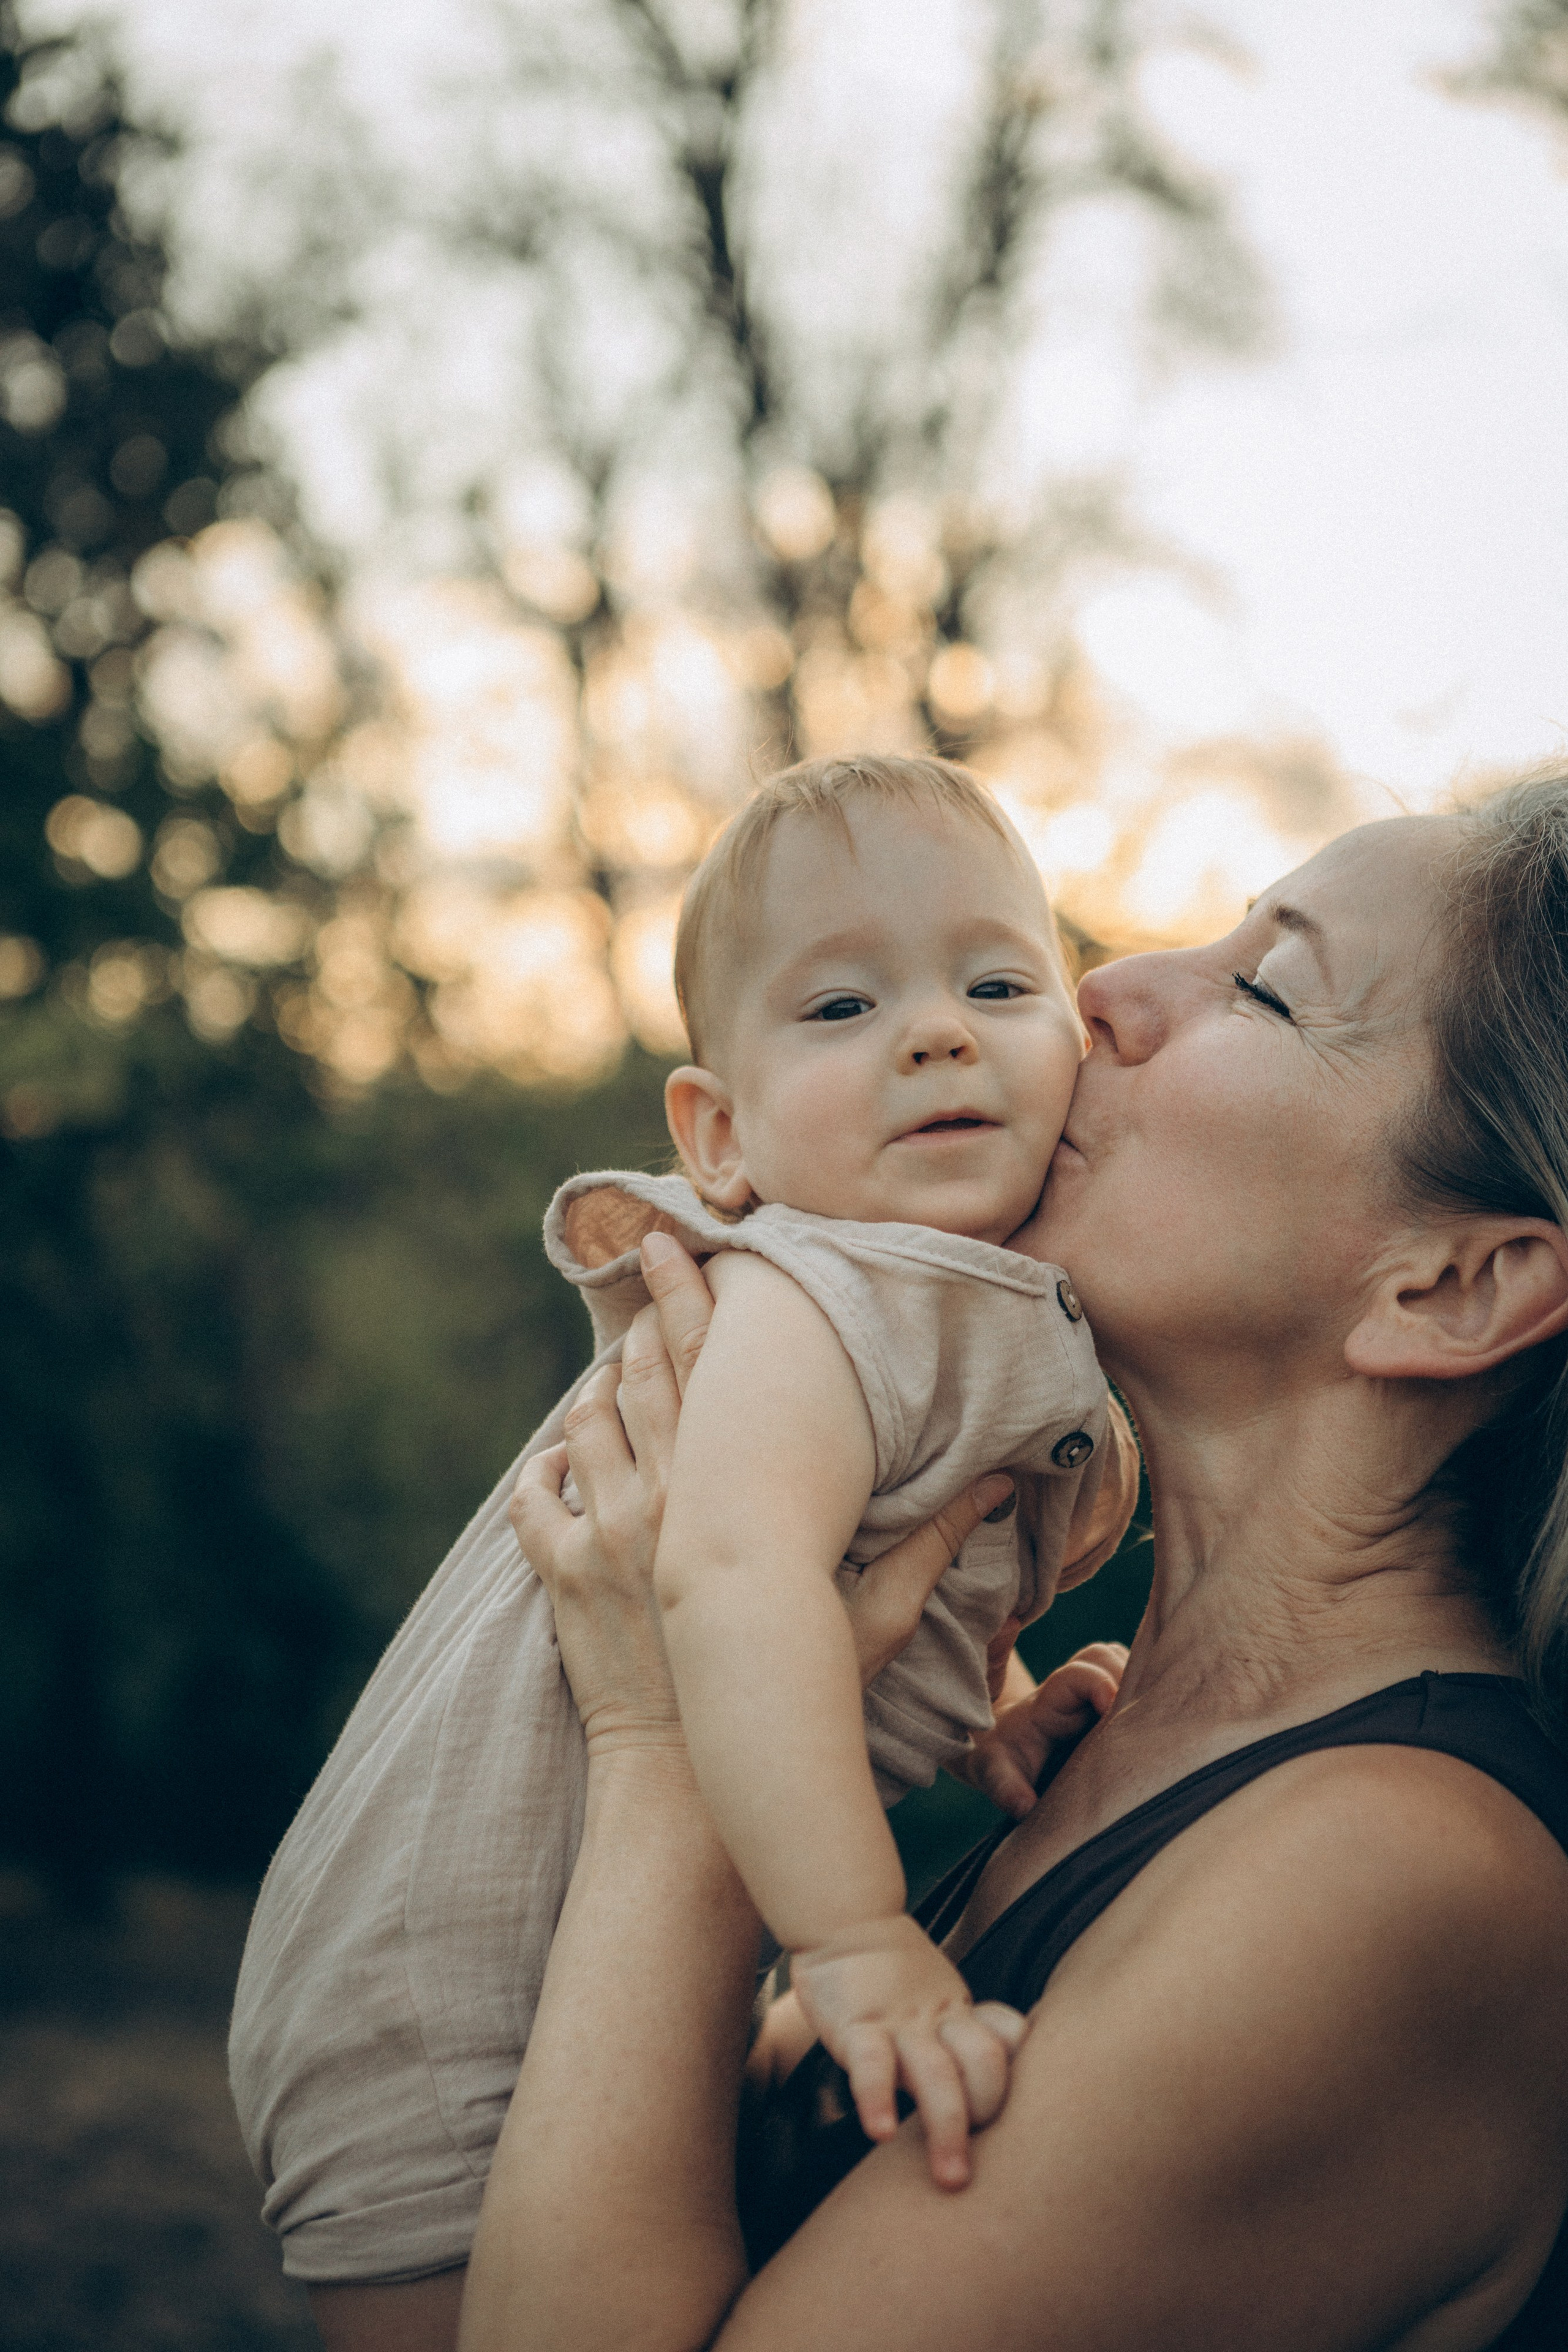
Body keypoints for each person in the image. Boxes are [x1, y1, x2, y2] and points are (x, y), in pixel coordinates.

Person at [458, 780, 1568, 2352]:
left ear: (1450, 1287)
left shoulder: (1400, 1881)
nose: (1099, 990)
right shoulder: (1102, 1746)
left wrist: (667, 1747)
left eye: (1262, 986)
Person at [228, 758, 1140, 2318]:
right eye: (840, 1009)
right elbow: (731, 1583)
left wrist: (986, 1711)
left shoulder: (938, 1305)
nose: (932, 1029)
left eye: (993, 981)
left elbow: (895, 1564)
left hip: (579, 1945)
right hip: (441, 1971)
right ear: (718, 1134)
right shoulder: (813, 1301)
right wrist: (851, 1941)